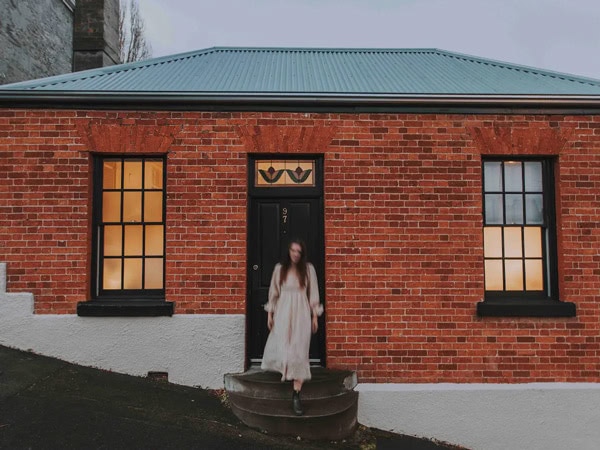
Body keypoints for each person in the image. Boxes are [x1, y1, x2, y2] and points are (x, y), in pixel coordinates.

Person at [261, 238, 323, 416]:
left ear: (302, 254)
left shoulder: (308, 269)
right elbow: (273, 293)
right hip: (282, 312)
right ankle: (285, 372)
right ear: (289, 251)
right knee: (282, 344)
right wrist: (270, 314)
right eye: (293, 251)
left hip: (302, 313)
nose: (295, 254)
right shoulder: (279, 269)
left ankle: (296, 393)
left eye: (299, 252)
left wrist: (315, 317)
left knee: (299, 349)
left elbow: (314, 294)